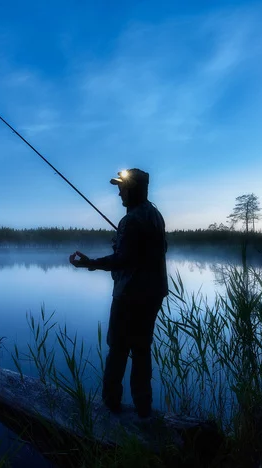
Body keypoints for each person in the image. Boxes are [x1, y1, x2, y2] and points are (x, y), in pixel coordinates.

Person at [69, 168, 168, 418]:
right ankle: (143, 409)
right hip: (154, 293)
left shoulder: (131, 220)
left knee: (118, 349)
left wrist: (89, 263)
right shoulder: (156, 216)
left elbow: (123, 260)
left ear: (133, 189)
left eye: (122, 188)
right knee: (142, 349)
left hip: (130, 295)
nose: (119, 193)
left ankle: (110, 409)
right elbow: (154, 250)